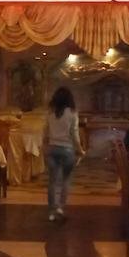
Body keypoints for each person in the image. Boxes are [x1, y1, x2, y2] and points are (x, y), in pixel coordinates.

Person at [42, 87, 85, 221]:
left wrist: (44, 147)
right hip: (67, 150)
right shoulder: (72, 113)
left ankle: (51, 211)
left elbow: (45, 132)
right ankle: (60, 207)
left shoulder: (50, 113)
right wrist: (80, 150)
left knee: (52, 181)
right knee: (66, 179)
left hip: (52, 149)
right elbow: (75, 135)